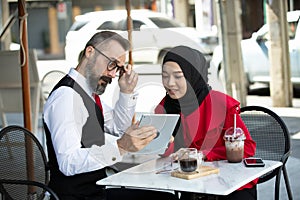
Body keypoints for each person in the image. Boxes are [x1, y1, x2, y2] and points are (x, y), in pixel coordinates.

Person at [43, 31, 177, 200]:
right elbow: (68, 162)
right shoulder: (66, 97)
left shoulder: (88, 94)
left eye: (118, 68)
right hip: (75, 196)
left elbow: (119, 127)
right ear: (90, 52)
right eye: (111, 64)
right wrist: (121, 147)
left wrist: (126, 92)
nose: (113, 74)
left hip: (95, 190)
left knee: (165, 197)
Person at [154, 45, 257, 200]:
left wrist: (204, 154)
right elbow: (169, 152)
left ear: (193, 76)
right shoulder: (164, 108)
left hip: (232, 186)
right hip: (192, 185)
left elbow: (247, 148)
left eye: (178, 76)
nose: (170, 83)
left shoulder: (220, 104)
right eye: (165, 76)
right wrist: (159, 143)